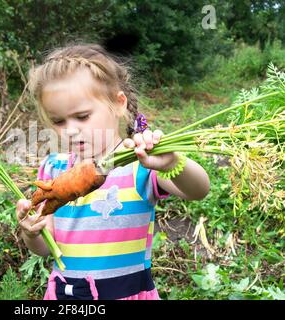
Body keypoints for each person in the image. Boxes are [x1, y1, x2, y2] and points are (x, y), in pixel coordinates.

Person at [16, 44, 210, 300]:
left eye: (82, 116)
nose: (71, 129)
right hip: (67, 295)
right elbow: (44, 249)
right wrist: (32, 233)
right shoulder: (53, 169)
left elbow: (199, 190)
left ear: (119, 104)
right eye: (59, 121)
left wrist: (172, 163)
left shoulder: (141, 164)